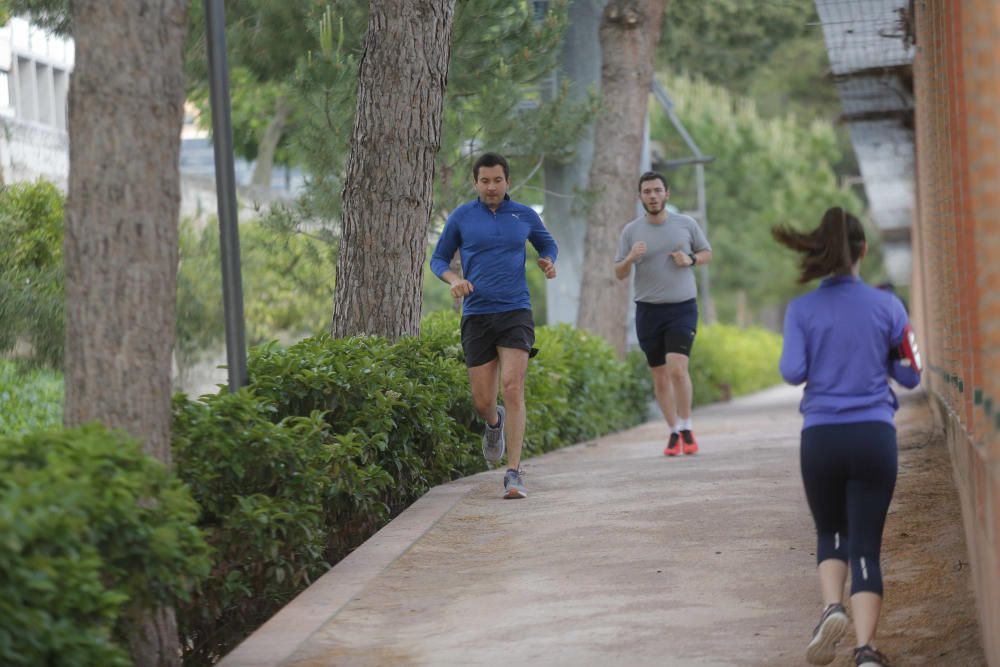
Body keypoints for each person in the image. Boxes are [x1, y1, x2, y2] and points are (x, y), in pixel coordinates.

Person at [773, 207, 921, 667]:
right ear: (863, 251)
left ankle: (830, 608)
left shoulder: (801, 309)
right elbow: (911, 374)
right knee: (866, 545)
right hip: (874, 436)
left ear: (818, 252)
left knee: (830, 530)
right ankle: (865, 651)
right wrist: (879, 362)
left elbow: (792, 370)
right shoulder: (888, 306)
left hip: (821, 438)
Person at [430, 152, 557, 499]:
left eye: (497, 180)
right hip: (477, 313)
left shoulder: (524, 215)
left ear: (507, 181)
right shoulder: (462, 217)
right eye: (484, 181)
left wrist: (548, 261)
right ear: (475, 183)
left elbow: (547, 243)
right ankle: (493, 423)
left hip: (516, 310)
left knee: (513, 388)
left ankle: (514, 473)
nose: (491, 187)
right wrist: (454, 279)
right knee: (483, 400)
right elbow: (438, 258)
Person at [614, 171, 712, 457]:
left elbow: (707, 253)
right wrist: (630, 258)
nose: (653, 196)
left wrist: (690, 259)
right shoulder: (631, 231)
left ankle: (687, 427)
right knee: (659, 376)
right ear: (640, 196)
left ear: (666, 194)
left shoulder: (686, 224)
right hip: (648, 310)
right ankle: (672, 432)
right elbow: (618, 273)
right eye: (647, 191)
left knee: (678, 369)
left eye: (657, 190)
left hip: (682, 307)